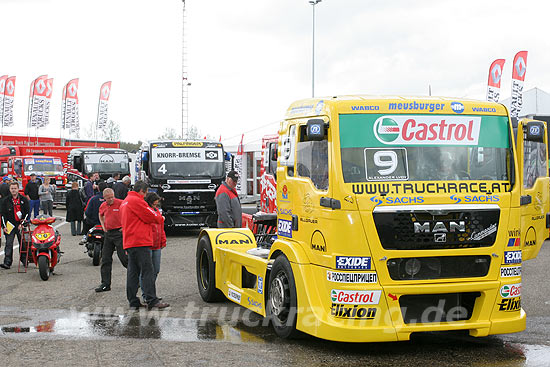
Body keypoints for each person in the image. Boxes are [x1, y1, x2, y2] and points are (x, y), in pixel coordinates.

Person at [120, 180, 168, 310]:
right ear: (142, 191)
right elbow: (152, 216)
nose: (145, 196)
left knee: (133, 272)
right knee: (147, 271)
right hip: (140, 241)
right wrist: (161, 218)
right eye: (145, 193)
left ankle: (133, 300)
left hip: (129, 241)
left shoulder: (125, 202)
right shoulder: (137, 201)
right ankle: (152, 300)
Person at [95, 188, 128, 292]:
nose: (111, 200)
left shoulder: (121, 203)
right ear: (104, 198)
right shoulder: (103, 206)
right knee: (105, 259)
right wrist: (103, 227)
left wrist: (124, 227)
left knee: (124, 258)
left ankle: (137, 278)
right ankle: (105, 283)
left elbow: (129, 214)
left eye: (112, 197)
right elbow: (100, 215)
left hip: (119, 233)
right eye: (108, 198)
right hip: (109, 234)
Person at [139, 192, 165, 299]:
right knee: (146, 271)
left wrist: (163, 240)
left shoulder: (157, 211)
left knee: (156, 269)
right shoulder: (146, 212)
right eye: (154, 204)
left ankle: (150, 291)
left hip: (157, 245)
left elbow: (161, 227)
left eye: (156, 204)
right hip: (148, 244)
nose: (155, 206)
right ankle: (146, 294)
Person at [0, 182, 30, 269]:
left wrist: (22, 223)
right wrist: (4, 226)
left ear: (18, 189)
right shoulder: (5, 201)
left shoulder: (24, 199)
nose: (13, 190)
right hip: (10, 224)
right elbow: (2, 214)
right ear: (9, 190)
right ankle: (7, 262)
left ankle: (24, 260)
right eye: (12, 188)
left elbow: (27, 213)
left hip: (20, 224)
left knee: (23, 243)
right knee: (9, 244)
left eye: (15, 188)